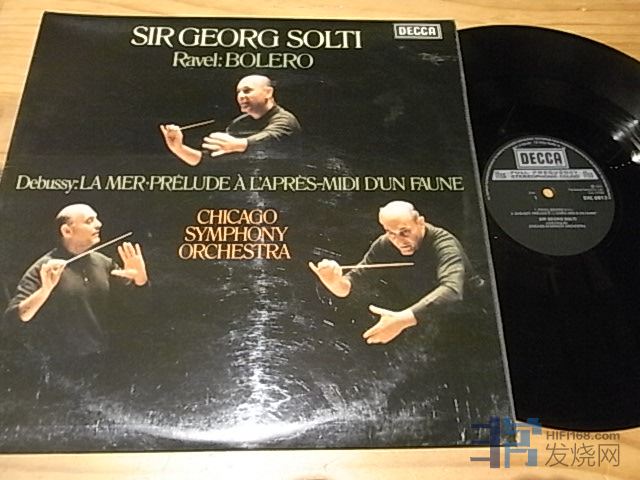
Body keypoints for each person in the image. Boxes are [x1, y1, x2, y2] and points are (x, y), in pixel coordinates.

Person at [309, 200, 476, 345]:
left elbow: (453, 291)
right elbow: (351, 284)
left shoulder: (444, 244)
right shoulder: (385, 245)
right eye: (390, 233)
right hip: (422, 320)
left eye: (405, 232)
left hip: (468, 318)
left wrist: (401, 320)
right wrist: (333, 282)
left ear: (420, 222)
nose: (399, 241)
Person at [2, 203, 149, 360]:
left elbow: (140, 306)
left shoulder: (104, 263)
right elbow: (12, 321)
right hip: (58, 364)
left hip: (101, 359)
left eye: (96, 219)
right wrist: (44, 291)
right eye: (89, 221)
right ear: (67, 231)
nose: (99, 224)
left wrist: (141, 279)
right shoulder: (44, 268)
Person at [159, 74, 301, 166]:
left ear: (268, 92)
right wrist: (178, 148)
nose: (241, 96)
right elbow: (207, 160)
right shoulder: (239, 124)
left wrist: (239, 144)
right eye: (238, 92)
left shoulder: (285, 120)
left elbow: (270, 138)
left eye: (247, 90)